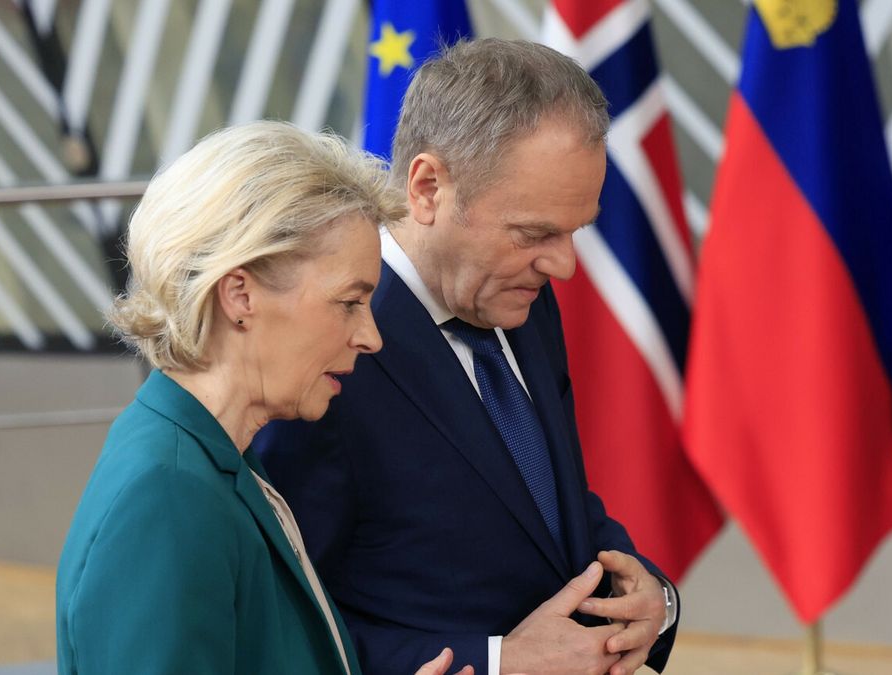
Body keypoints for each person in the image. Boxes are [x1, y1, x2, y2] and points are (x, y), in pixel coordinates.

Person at [253, 40, 679, 675]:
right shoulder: (325, 353)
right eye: (534, 234)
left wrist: (652, 598)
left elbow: (551, 509)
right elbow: (279, 627)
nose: (562, 265)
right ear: (428, 188)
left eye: (574, 232)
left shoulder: (519, 298)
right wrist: (498, 663)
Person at [55, 121, 478, 675]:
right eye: (350, 302)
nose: (371, 337)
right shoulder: (169, 497)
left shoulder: (207, 458)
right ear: (240, 295)